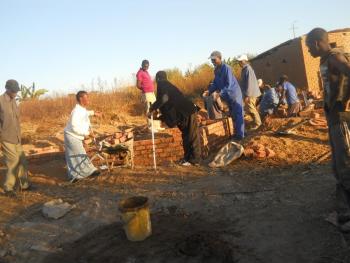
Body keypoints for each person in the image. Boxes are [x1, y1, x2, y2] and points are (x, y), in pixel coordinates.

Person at [306, 28, 350, 232]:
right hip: (333, 120)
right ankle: (344, 212)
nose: (308, 51)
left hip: (340, 120)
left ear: (316, 43)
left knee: (345, 166)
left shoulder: (334, 57)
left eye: (308, 47)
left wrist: (346, 101)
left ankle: (347, 216)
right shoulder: (325, 60)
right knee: (338, 167)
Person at [149, 71, 201, 166]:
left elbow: (164, 99)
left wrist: (153, 107)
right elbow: (169, 107)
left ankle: (195, 160)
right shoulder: (168, 86)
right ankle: (187, 158)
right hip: (184, 114)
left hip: (187, 112)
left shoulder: (162, 84)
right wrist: (157, 116)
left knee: (192, 136)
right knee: (186, 136)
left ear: (158, 79)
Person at [0, 80, 30, 197]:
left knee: (22, 160)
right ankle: (8, 188)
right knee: (13, 161)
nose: (15, 93)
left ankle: (24, 185)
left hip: (16, 137)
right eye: (13, 91)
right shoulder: (1, 101)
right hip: (6, 137)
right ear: (7, 89)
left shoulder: (14, 102)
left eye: (16, 91)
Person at [64, 91, 101, 182]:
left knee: (75, 156)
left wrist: (93, 113)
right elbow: (74, 127)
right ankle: (82, 174)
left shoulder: (81, 109)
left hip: (73, 136)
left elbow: (85, 113)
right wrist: (87, 134)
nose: (88, 100)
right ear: (81, 99)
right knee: (78, 155)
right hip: (71, 136)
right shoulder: (76, 111)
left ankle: (77, 175)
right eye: (86, 98)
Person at [207, 51, 245, 140]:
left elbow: (229, 84)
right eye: (211, 60)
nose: (212, 62)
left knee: (238, 114)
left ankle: (240, 136)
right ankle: (238, 133)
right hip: (227, 96)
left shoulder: (227, 68)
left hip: (234, 94)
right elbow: (216, 83)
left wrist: (219, 93)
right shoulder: (216, 70)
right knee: (232, 114)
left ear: (220, 58)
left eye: (214, 59)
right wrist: (209, 91)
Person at [136, 60, 163, 132]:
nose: (146, 67)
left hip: (152, 93)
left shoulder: (146, 72)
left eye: (147, 66)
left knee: (156, 108)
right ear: (142, 65)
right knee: (149, 109)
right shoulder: (140, 73)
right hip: (147, 94)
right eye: (145, 66)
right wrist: (144, 89)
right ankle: (151, 127)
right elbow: (138, 85)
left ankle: (157, 126)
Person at [237, 55, 262, 130]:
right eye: (239, 61)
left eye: (241, 61)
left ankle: (258, 124)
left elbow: (250, 83)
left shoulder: (248, 69)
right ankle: (256, 122)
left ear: (245, 60)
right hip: (249, 93)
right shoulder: (245, 69)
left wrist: (248, 95)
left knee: (251, 108)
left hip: (251, 94)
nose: (239, 63)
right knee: (250, 108)